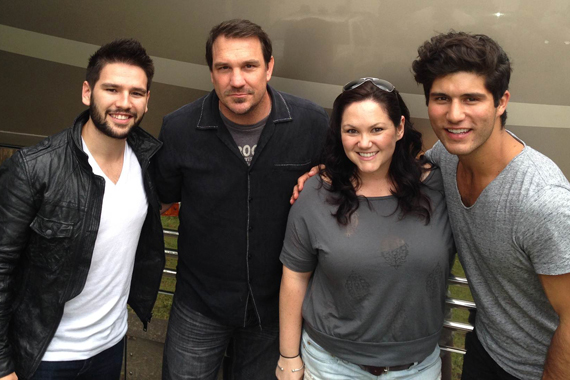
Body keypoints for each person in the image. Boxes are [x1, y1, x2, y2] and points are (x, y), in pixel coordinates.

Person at [153, 19, 329, 380]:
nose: (237, 80)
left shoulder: (310, 123)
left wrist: (325, 174)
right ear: (211, 72)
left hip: (274, 306)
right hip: (199, 304)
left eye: (249, 65)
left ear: (269, 67)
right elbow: (164, 196)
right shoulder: (179, 129)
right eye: (224, 68)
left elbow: (344, 181)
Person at [0, 39, 165, 380]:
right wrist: (3, 367)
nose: (124, 103)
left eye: (136, 92)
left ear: (147, 101)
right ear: (87, 92)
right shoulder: (34, 168)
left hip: (110, 347)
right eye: (112, 89)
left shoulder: (149, 162)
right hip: (45, 356)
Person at [411, 31, 570, 380]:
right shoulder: (448, 155)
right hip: (484, 346)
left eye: (471, 98)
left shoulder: (543, 202)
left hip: (537, 368)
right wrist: (331, 175)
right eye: (441, 98)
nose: (454, 115)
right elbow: (408, 164)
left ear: (501, 102)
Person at [277, 78, 455, 379]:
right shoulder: (316, 195)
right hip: (331, 367)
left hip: (417, 369)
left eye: (376, 129)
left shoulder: (441, 186)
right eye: (351, 131)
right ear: (339, 134)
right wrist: (288, 357)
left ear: (399, 128)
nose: (364, 142)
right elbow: (295, 276)